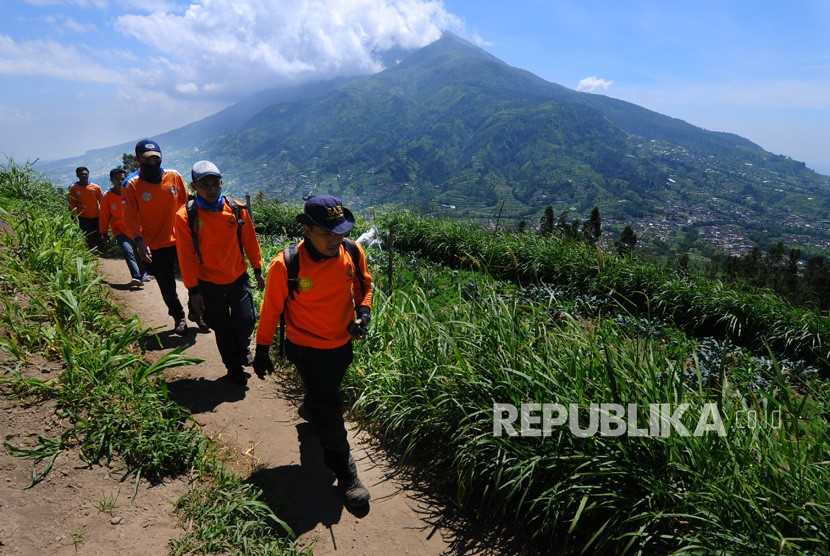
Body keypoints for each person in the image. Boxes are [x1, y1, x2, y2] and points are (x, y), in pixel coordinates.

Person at [252, 195, 374, 508]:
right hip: (305, 347)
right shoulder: (287, 264)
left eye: (340, 233)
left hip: (341, 344)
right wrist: (262, 349)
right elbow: (270, 310)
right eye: (326, 233)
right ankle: (347, 475)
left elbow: (364, 286)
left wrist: (363, 313)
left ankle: (310, 408)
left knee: (325, 393)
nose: (336, 240)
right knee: (332, 410)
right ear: (306, 229)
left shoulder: (352, 252)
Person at [174, 160, 265, 385]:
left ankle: (242, 347)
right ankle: (233, 367)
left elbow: (250, 241)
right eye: (205, 185)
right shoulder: (185, 216)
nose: (211, 189)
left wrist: (258, 269)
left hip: (237, 277)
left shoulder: (236, 208)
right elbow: (185, 256)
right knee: (222, 328)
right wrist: (193, 290)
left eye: (215, 184)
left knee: (246, 318)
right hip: (208, 282)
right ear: (194, 187)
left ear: (221, 182)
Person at [122, 138, 190, 334]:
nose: (152, 163)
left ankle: (197, 311)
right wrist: (139, 241)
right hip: (154, 245)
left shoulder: (174, 176)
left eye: (155, 159)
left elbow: (187, 206)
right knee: (167, 285)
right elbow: (130, 218)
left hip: (180, 239)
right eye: (147, 160)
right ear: (139, 160)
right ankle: (179, 317)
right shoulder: (131, 185)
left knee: (195, 277)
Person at [99, 168, 151, 288]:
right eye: (116, 179)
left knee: (139, 251)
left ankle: (143, 273)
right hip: (120, 231)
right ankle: (136, 276)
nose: (120, 181)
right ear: (111, 180)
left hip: (137, 229)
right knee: (128, 251)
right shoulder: (107, 196)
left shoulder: (131, 191)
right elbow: (104, 216)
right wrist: (104, 233)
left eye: (122, 178)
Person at [67, 166, 103, 250]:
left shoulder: (96, 188)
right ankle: (91, 253)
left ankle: (102, 252)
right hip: (82, 217)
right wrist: (73, 216)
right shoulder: (73, 188)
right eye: (81, 174)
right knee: (87, 236)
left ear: (88, 175)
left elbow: (102, 202)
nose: (84, 176)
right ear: (77, 175)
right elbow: (71, 203)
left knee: (98, 234)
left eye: (85, 174)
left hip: (96, 216)